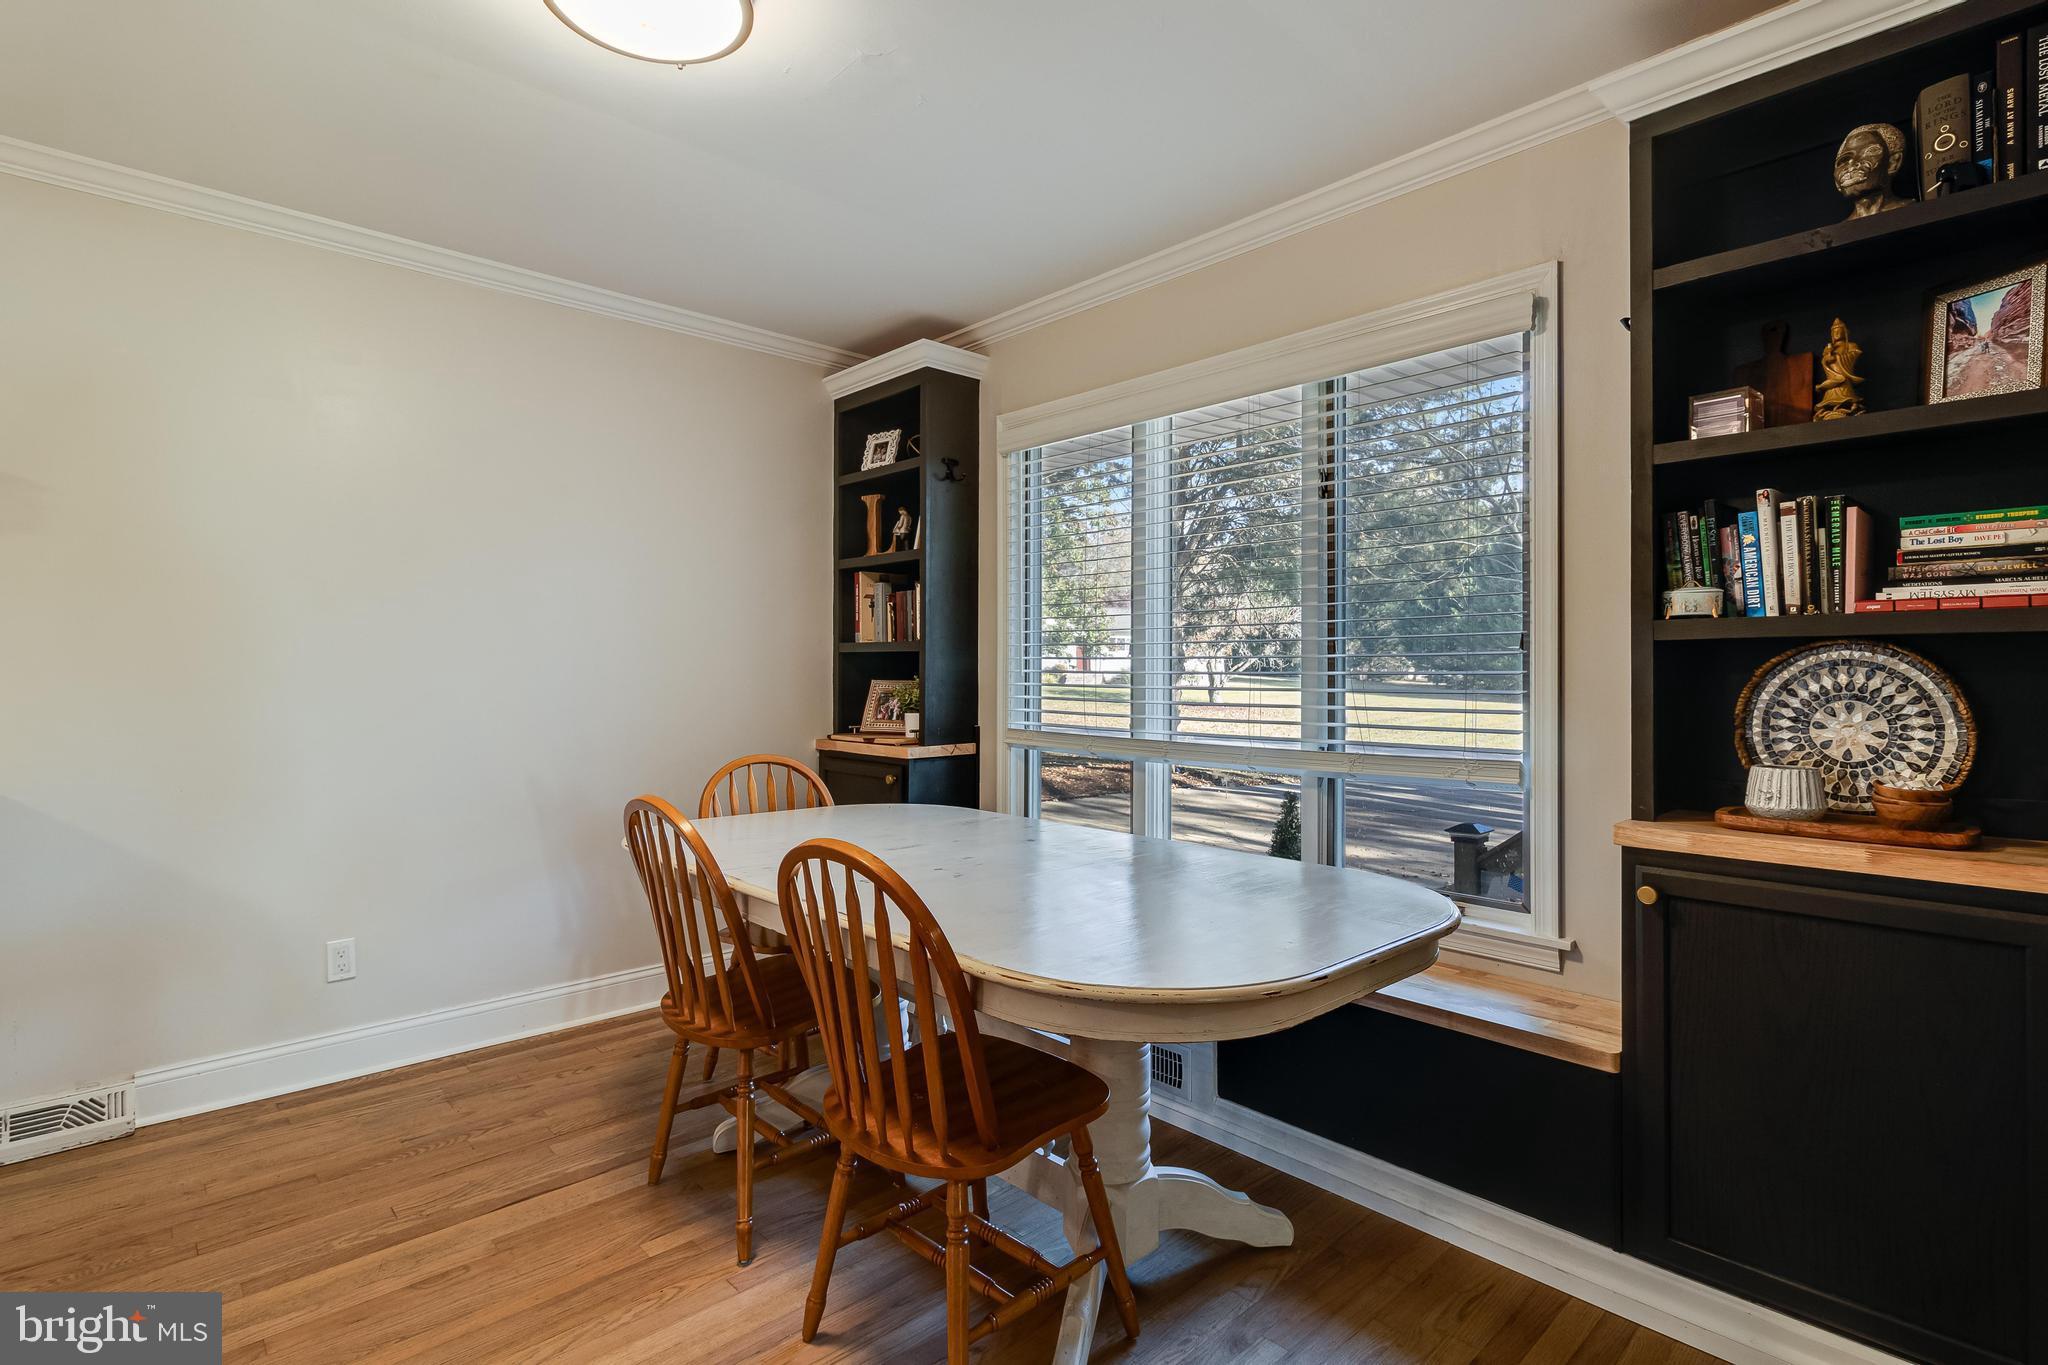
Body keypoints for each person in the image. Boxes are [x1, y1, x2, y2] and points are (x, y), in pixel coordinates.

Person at [1833, 123, 1910, 219]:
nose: (1852, 164)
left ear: (1893, 162)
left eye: (1870, 151)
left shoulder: (1913, 211)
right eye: (1844, 160)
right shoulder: (1841, 232)